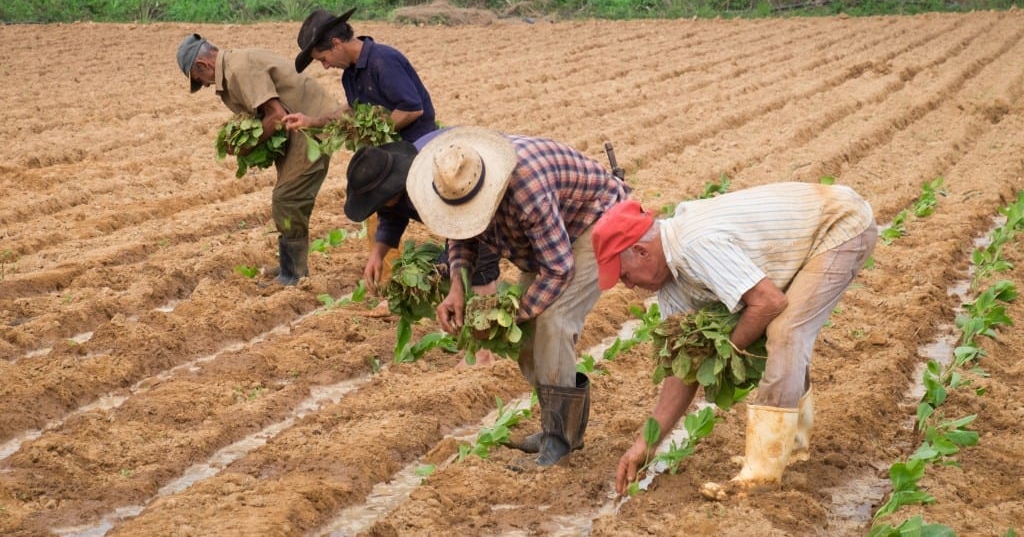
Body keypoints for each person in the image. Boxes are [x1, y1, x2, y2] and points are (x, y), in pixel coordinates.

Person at [590, 182, 877, 498]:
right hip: (802, 239)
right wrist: (646, 444)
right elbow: (683, 371)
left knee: (784, 332)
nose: (628, 286)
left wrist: (724, 351)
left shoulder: (695, 245)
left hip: (839, 225)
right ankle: (791, 448)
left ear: (641, 251)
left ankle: (763, 473)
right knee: (775, 331)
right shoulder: (670, 288)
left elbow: (768, 302)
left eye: (625, 275)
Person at [406, 126, 630, 467]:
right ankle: (557, 426)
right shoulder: (457, 184)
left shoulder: (527, 190)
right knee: (526, 338)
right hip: (554, 237)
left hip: (594, 225)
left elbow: (558, 269)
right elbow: (462, 237)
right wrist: (457, 288)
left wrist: (510, 313)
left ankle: (559, 439)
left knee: (554, 321)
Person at [176, 33, 342, 286]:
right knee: (286, 198)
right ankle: (290, 268)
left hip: (311, 128)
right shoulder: (234, 65)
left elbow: (276, 116)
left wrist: (248, 146)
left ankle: (294, 275)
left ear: (202, 66)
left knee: (287, 197)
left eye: (200, 79)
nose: (205, 84)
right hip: (297, 127)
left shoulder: (238, 69)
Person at [343, 130, 501, 296]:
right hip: (456, 207)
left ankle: (485, 306)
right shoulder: (393, 187)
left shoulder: (433, 182)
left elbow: (465, 225)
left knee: (476, 271)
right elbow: (391, 216)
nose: (379, 204)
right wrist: (377, 255)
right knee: (454, 270)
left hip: (479, 186)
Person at [284, 7, 437, 143]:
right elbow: (351, 110)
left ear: (336, 44)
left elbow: (412, 109)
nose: (326, 66)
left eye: (323, 59)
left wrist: (373, 134)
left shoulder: (382, 61)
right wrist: (311, 121)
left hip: (418, 144)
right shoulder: (349, 75)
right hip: (391, 148)